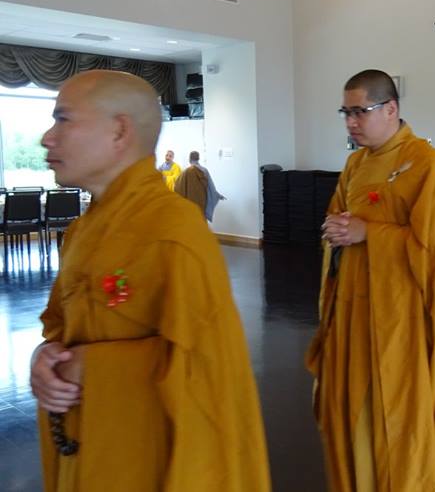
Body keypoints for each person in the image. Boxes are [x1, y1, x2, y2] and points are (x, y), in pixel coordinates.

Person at [30, 70, 270, 490]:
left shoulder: (173, 229)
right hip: (86, 444)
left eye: (63, 119)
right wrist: (45, 357)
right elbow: (59, 327)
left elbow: (209, 372)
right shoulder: (82, 230)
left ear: (119, 131)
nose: (47, 139)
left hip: (149, 459)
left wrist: (93, 366)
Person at [306, 70, 435, 490]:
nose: (351, 123)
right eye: (345, 113)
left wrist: (370, 233)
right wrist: (336, 229)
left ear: (391, 109)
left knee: (397, 419)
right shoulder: (355, 164)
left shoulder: (425, 164)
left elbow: (434, 249)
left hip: (401, 318)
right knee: (350, 412)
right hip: (352, 312)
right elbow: (338, 218)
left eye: (359, 112)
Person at [173, 151, 226, 222]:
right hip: (202, 200)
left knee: (191, 221)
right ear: (198, 158)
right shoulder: (204, 170)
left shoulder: (186, 172)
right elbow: (211, 186)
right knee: (201, 219)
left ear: (189, 159)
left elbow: (178, 187)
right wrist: (218, 195)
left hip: (190, 201)